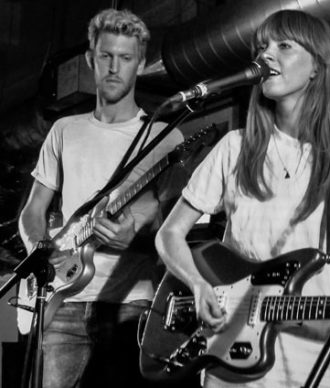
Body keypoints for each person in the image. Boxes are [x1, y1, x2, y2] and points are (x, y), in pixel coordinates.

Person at [155, 9, 330, 388]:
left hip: (322, 365)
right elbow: (169, 235)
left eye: (284, 46)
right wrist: (198, 284)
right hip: (232, 362)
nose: (266, 55)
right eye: (262, 46)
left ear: (318, 66)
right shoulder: (234, 148)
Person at [18, 8, 184, 388]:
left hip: (131, 304)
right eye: (106, 56)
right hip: (63, 302)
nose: (114, 67)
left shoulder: (164, 139)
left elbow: (178, 232)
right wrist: (44, 251)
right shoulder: (64, 130)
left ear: (140, 65)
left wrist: (136, 240)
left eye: (125, 58)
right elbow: (33, 210)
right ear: (91, 60)